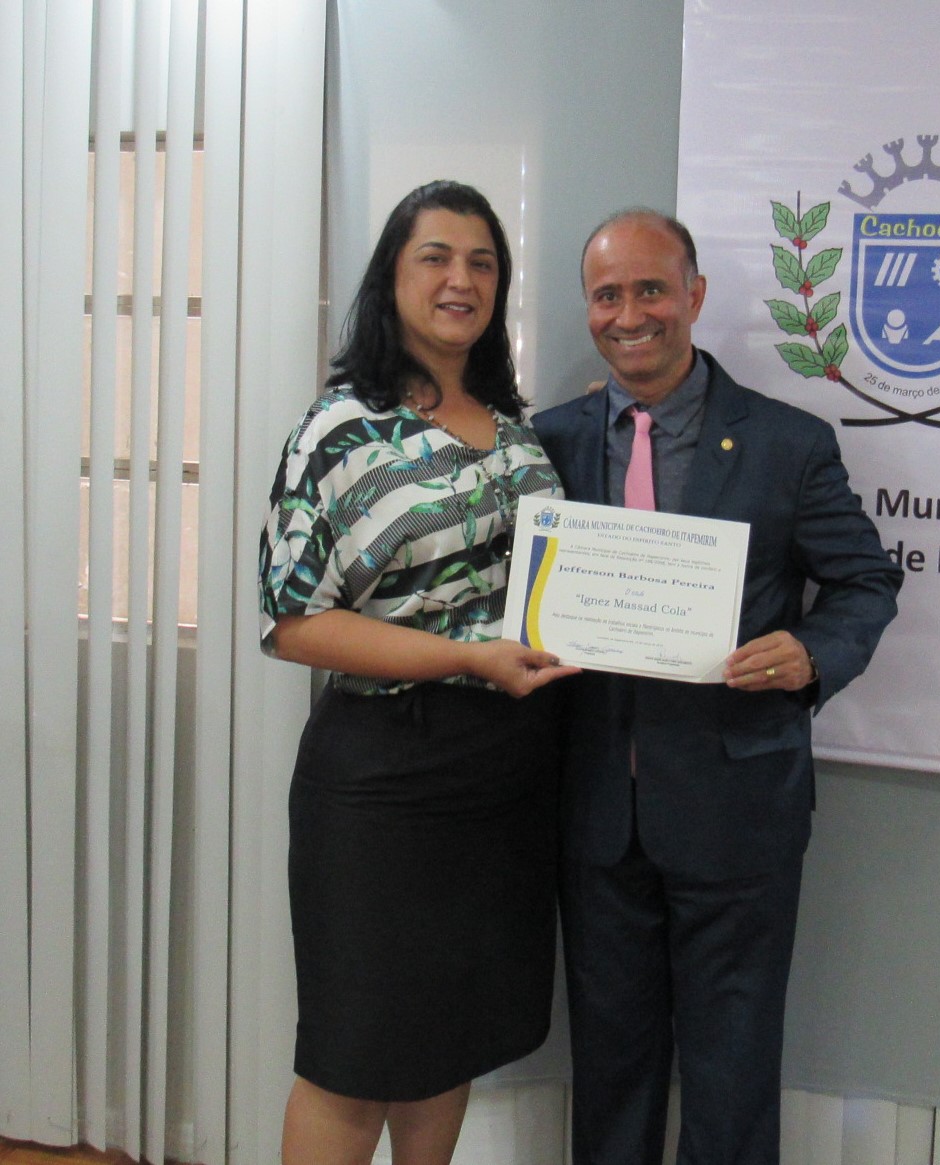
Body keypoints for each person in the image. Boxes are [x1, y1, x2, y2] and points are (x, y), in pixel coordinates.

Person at [532, 209, 903, 1165]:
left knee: (731, 1078)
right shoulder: (546, 442)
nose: (628, 316)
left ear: (694, 296)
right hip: (596, 816)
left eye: (650, 290)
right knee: (608, 1072)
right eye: (607, 296)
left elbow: (865, 583)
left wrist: (811, 653)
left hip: (738, 811)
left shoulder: (787, 443)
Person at [259, 180, 577, 1165]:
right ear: (390, 278)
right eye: (434, 257)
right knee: (353, 1059)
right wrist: (465, 656)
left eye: (481, 262)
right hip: (383, 780)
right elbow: (294, 623)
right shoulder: (340, 428)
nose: (459, 280)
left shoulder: (513, 425)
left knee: (448, 1041)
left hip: (504, 777)